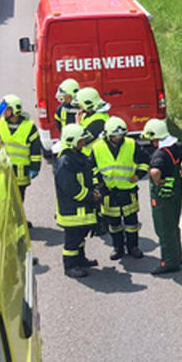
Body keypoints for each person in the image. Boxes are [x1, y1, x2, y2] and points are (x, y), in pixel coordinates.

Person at [139, 118, 182, 274]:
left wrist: (157, 181)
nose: (151, 142)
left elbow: (155, 171)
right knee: (173, 224)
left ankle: (169, 262)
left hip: (163, 194)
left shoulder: (160, 155)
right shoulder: (176, 147)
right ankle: (177, 255)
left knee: (164, 228)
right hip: (176, 191)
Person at [92, 115, 146, 260]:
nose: (118, 138)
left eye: (121, 135)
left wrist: (139, 174)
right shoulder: (97, 147)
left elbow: (145, 160)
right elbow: (92, 168)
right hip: (109, 192)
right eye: (115, 136)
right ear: (108, 135)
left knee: (131, 223)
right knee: (114, 224)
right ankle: (118, 248)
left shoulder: (132, 144)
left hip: (128, 190)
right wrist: (99, 184)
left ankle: (133, 247)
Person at [54, 124, 101, 279]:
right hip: (72, 211)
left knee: (80, 238)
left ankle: (80, 260)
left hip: (81, 209)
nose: (83, 143)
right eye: (80, 141)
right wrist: (90, 196)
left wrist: (95, 188)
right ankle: (70, 266)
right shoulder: (65, 162)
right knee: (72, 242)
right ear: (71, 141)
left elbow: (88, 175)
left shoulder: (78, 156)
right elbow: (71, 188)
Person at [0, 94, 42, 216]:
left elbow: (36, 150)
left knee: (18, 200)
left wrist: (35, 167)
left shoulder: (29, 127)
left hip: (21, 173)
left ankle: (18, 221)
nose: (3, 112)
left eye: (6, 109)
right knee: (4, 199)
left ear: (14, 110)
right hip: (3, 171)